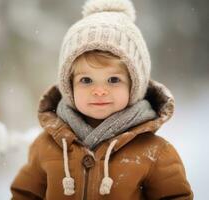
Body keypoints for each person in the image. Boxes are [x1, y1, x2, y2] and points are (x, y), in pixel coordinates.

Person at [10, 0, 193, 199]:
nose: (99, 91)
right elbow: (24, 195)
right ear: (69, 86)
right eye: (86, 80)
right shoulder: (47, 146)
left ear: (134, 86)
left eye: (113, 80)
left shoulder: (155, 152)